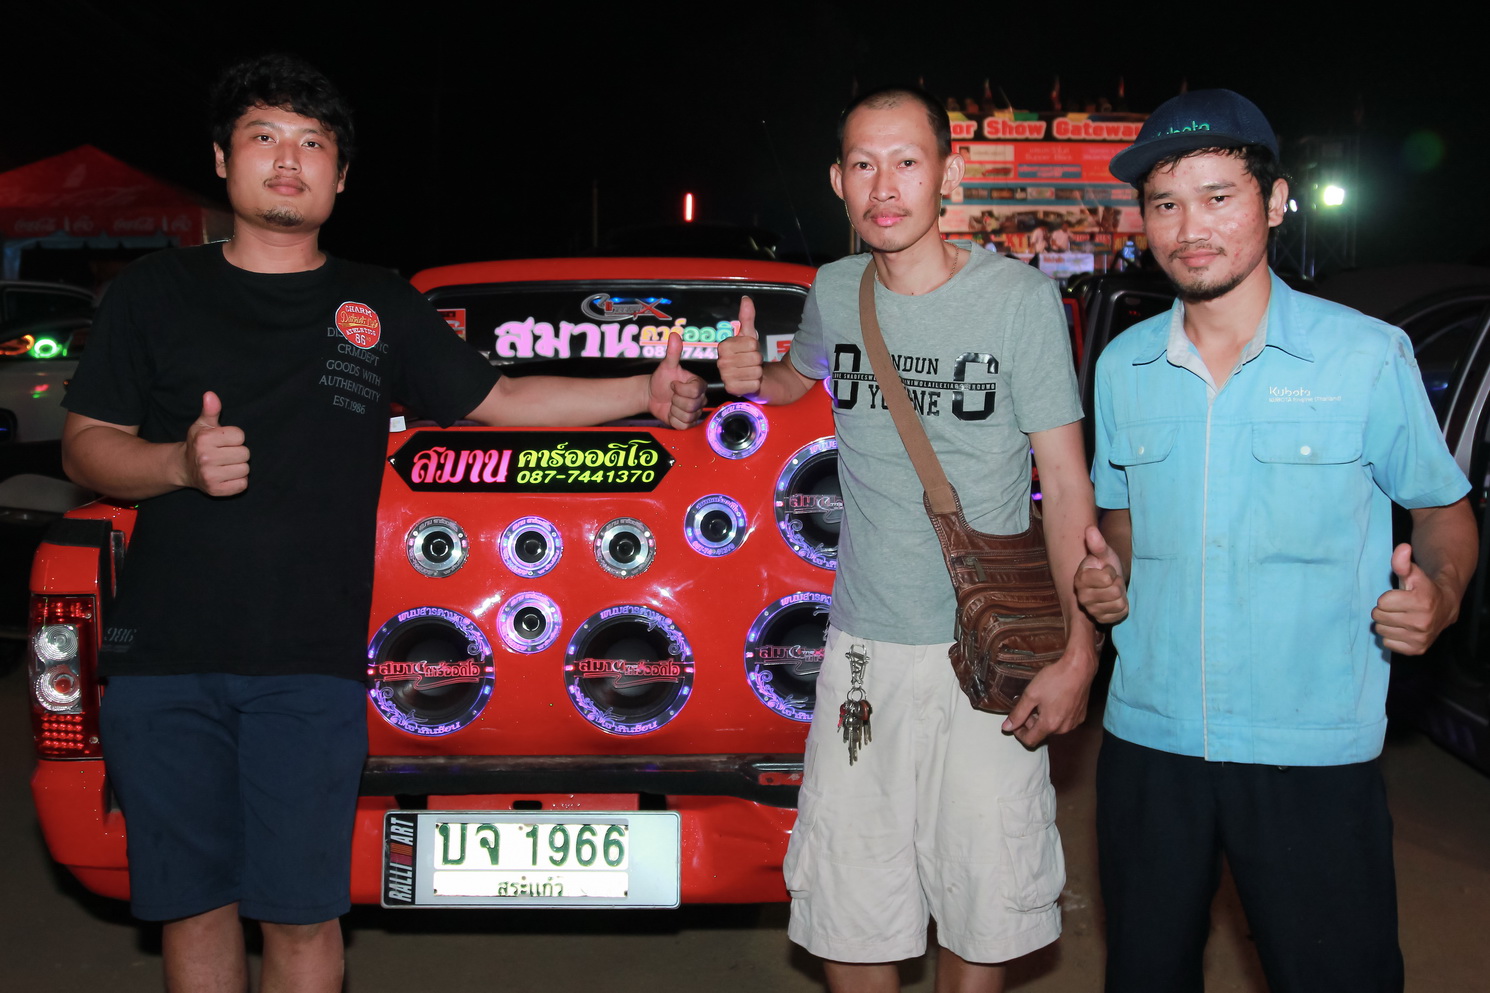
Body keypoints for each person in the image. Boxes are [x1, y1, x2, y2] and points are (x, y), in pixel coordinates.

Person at [59, 54, 704, 992]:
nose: (289, 159)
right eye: (265, 136)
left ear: (341, 176)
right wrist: (176, 465)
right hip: (165, 661)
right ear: (223, 159)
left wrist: (642, 389)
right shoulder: (154, 292)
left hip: (308, 667)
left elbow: (501, 398)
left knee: (303, 915)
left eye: (313, 142)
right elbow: (84, 446)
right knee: (193, 910)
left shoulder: (378, 302)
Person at [1075, 89, 1477, 993]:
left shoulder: (1365, 355)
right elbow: (1121, 518)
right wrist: (1110, 575)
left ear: (1277, 200)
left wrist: (1441, 592)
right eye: (1166, 203)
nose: (1191, 228)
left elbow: (1444, 510)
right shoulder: (1123, 365)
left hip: (1312, 747)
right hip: (1151, 741)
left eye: (1219, 196)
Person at [716, 85, 1099, 993]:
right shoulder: (834, 288)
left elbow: (1067, 484)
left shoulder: (1018, 301)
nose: (883, 186)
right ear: (838, 182)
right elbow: (798, 375)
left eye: (906, 162)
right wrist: (753, 376)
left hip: (989, 651)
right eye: (863, 164)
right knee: (848, 899)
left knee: (984, 897)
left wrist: (1080, 652)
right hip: (863, 648)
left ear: (947, 175)